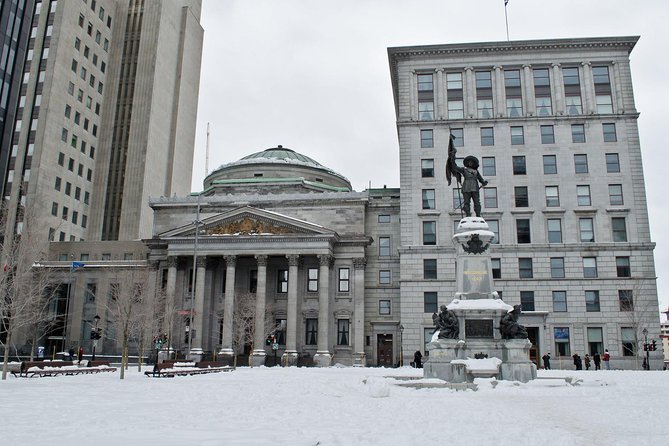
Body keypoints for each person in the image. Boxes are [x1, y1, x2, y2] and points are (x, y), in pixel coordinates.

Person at [446, 135, 488, 217]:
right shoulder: (463, 170)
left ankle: (478, 215)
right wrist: (452, 158)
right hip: (466, 187)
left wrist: (484, 182)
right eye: (468, 162)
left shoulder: (476, 171)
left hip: (475, 188)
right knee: (466, 202)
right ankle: (468, 215)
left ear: (474, 163)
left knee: (477, 202)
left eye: (471, 162)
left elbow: (481, 180)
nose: (470, 163)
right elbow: (455, 167)